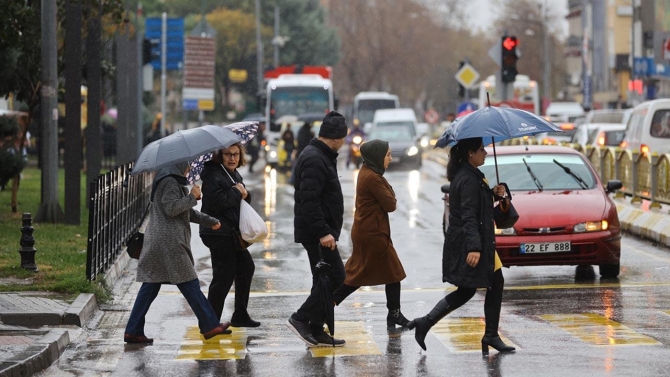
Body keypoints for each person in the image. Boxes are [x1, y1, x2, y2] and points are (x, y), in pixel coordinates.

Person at [408, 137, 516, 355]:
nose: (485, 153)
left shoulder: (472, 176)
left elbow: (478, 207)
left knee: (489, 284)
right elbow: (468, 215)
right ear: (470, 154)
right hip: (473, 243)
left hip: (479, 242)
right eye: (481, 149)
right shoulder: (467, 179)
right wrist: (474, 248)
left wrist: (492, 195)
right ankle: (430, 323)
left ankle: (488, 334)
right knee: (470, 289)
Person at [124, 162, 229, 344]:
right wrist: (192, 197)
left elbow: (186, 213)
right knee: (190, 283)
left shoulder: (173, 181)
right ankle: (210, 325)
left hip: (161, 241)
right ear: (177, 165)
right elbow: (172, 208)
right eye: (187, 165)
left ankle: (133, 330)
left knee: (150, 287)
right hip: (169, 243)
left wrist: (210, 221)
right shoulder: (170, 182)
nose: (189, 168)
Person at [332, 139, 410, 328]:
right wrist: (390, 192)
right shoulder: (373, 177)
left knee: (391, 273)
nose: (390, 159)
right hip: (372, 233)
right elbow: (391, 204)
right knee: (359, 276)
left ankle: (394, 314)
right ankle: (324, 305)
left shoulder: (369, 172)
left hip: (369, 231)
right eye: (388, 155)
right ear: (377, 156)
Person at [287, 110, 349, 347]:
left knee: (322, 281)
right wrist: (323, 232)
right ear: (335, 138)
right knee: (336, 276)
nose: (343, 143)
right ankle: (301, 318)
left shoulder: (320, 154)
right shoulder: (315, 158)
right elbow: (309, 200)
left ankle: (316, 328)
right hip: (317, 233)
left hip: (320, 230)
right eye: (342, 138)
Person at [199, 143, 260, 328]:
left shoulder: (231, 173)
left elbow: (239, 199)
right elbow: (215, 202)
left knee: (246, 268)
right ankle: (210, 323)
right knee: (223, 276)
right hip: (217, 231)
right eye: (227, 154)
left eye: (235, 154)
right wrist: (236, 191)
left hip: (230, 232)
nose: (232, 158)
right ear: (220, 155)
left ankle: (240, 315)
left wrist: (244, 193)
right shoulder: (212, 174)